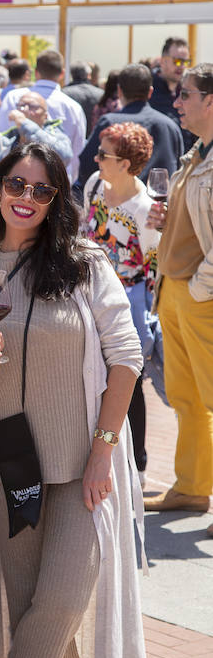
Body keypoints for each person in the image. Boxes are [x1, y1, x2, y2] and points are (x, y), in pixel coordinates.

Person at [0, 142, 146, 658]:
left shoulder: (86, 264)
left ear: (58, 198)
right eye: (17, 183)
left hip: (78, 464)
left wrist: (104, 451)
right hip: (9, 462)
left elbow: (127, 357)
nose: (27, 198)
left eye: (41, 189)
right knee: (28, 598)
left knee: (62, 596)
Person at [144, 63, 213, 519]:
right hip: (176, 292)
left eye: (186, 94)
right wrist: (167, 223)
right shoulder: (197, 152)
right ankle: (191, 486)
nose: (177, 102)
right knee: (187, 400)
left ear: (210, 101)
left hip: (198, 297)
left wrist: (198, 290)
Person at [81, 122, 158, 484]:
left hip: (127, 300)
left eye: (103, 154)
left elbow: (153, 265)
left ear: (126, 163)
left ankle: (138, 465)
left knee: (131, 379)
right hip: (89, 291)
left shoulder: (145, 209)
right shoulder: (96, 184)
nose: (95, 158)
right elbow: (85, 228)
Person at [78, 63, 183, 188]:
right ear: (150, 92)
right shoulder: (170, 127)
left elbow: (87, 164)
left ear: (119, 91)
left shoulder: (109, 124)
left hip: (115, 202)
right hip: (159, 203)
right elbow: (179, 172)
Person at [0, 49, 86, 183]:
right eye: (23, 106)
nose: (26, 110)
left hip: (17, 182)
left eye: (34, 108)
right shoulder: (73, 107)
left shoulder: (13, 97)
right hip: (57, 182)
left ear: (36, 72)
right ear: (62, 73)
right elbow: (78, 150)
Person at [0, 90, 72, 168]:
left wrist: (25, 124)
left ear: (45, 116)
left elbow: (65, 157)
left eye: (33, 106)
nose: (25, 109)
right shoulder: (9, 139)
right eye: (21, 105)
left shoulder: (55, 134)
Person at [150, 36, 196, 152]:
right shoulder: (148, 90)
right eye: (177, 61)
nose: (181, 66)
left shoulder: (188, 91)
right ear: (163, 61)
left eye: (186, 61)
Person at [63, 61, 103, 136]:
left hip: (71, 139)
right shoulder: (101, 94)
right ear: (89, 75)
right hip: (94, 139)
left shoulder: (63, 93)